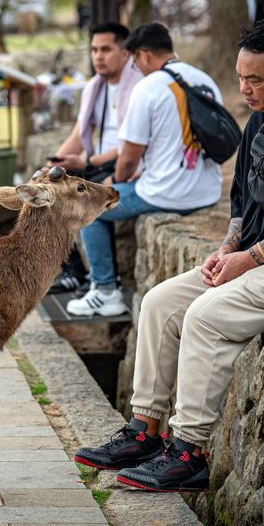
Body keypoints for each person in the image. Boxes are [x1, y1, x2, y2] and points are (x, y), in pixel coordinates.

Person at [74, 23, 264, 493]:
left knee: (205, 316)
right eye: (240, 78)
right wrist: (228, 249)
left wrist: (248, 259)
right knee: (160, 302)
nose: (244, 89)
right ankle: (144, 430)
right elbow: (241, 204)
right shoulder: (260, 119)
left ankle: (188, 452)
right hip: (254, 256)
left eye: (255, 80)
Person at [67, 23, 224, 317]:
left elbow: (128, 160)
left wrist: (113, 181)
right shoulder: (204, 80)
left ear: (144, 54)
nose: (135, 68)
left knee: (86, 205)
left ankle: (105, 291)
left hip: (165, 193)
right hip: (208, 191)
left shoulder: (147, 88)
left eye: (135, 61)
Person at [46, 21, 144, 293]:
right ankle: (74, 270)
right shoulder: (94, 87)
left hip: (123, 163)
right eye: (94, 50)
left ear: (125, 53)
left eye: (106, 49)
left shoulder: (139, 87)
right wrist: (52, 165)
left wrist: (88, 163)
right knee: (47, 191)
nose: (98, 56)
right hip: (96, 160)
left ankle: (105, 283)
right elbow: (79, 135)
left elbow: (134, 148)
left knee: (85, 200)